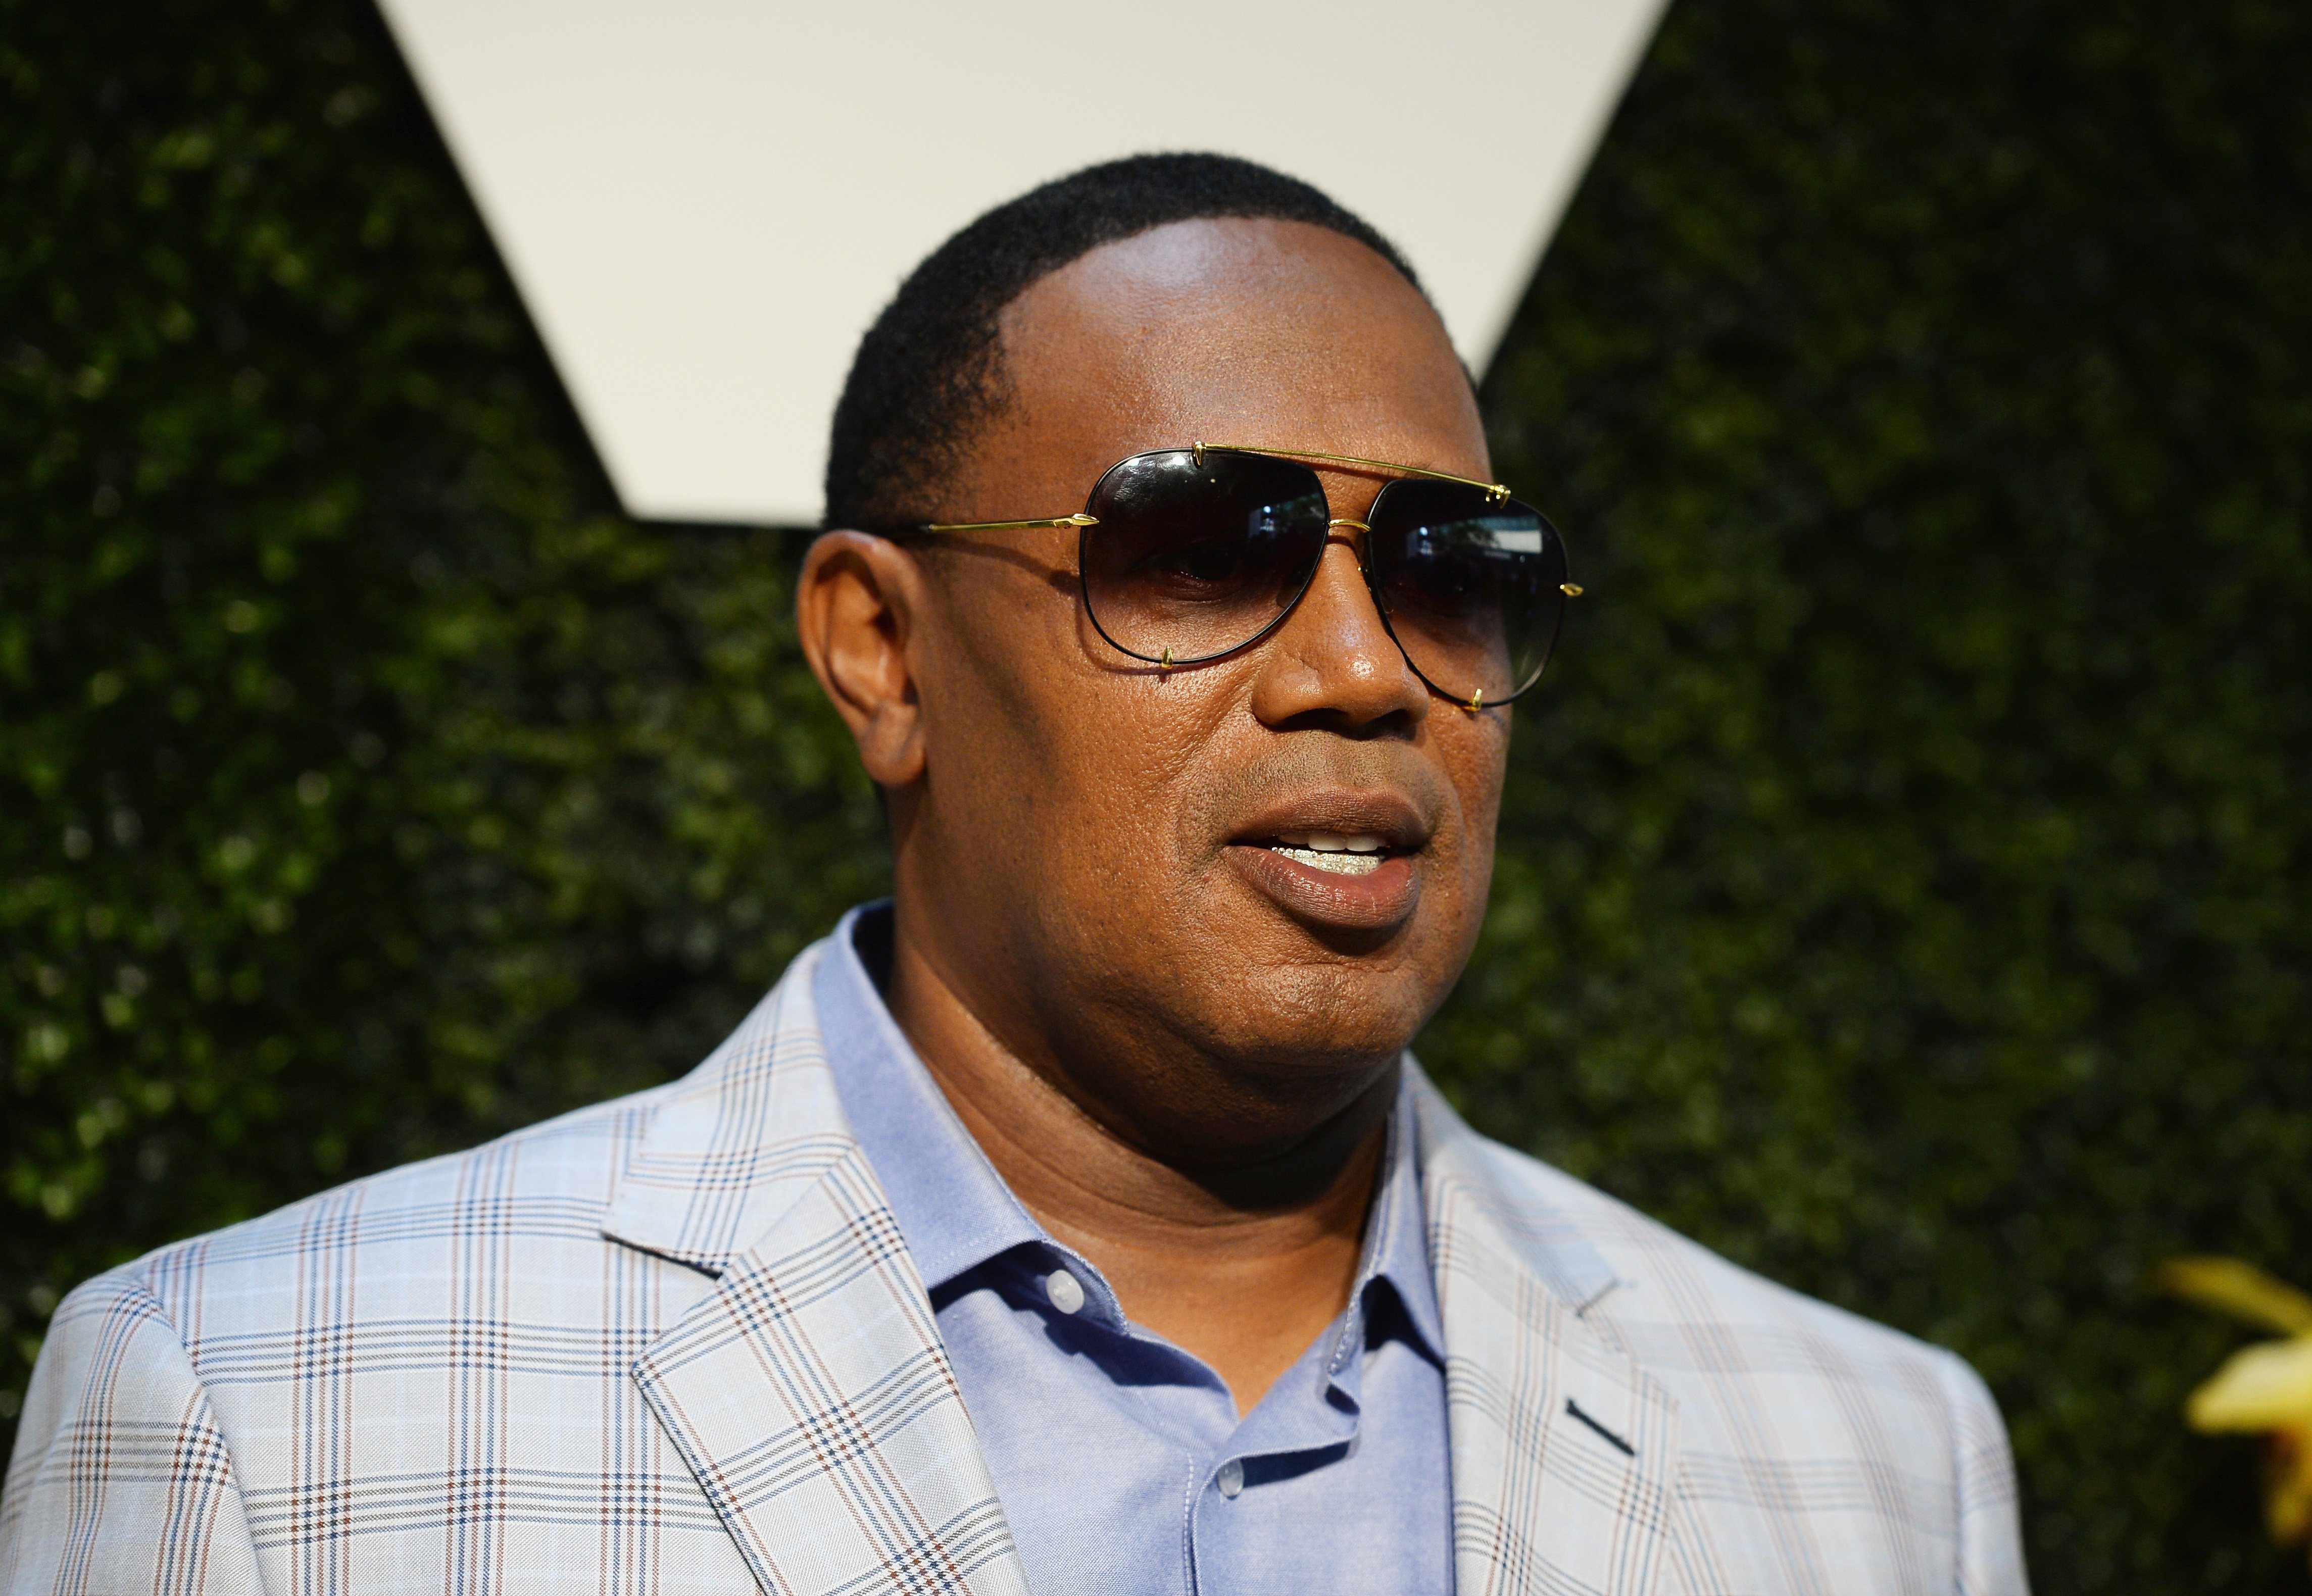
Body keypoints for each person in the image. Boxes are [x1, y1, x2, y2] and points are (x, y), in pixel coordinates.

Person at [1, 154, 2028, 1594]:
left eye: (1447, 571)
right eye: (1194, 551)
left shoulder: (1867, 1463)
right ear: (878, 651)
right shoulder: (269, 1418)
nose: (1356, 669)